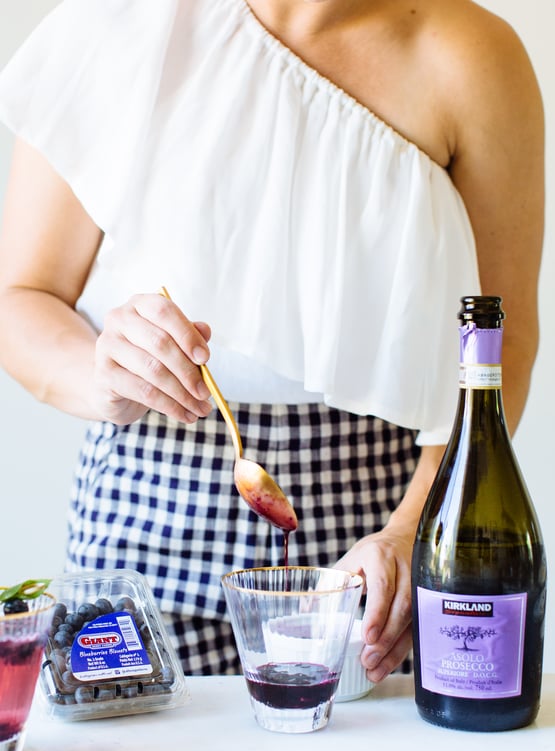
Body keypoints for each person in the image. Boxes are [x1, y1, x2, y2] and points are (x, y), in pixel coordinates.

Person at [0, 0, 544, 679]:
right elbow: (21, 298)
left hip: (379, 529)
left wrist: (416, 527)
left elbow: (502, 335)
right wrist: (103, 374)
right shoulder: (116, 24)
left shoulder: (472, 56)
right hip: (144, 517)